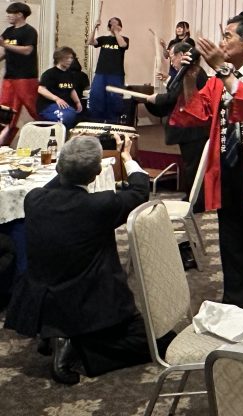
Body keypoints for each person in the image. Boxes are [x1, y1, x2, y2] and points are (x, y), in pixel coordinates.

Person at [4, 134, 154, 385]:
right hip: (88, 301)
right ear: (97, 173)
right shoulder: (100, 205)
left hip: (44, 298)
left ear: (59, 167)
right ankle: (76, 344)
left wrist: (71, 157)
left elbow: (57, 183)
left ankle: (56, 331)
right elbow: (140, 190)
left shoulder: (34, 199)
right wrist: (126, 156)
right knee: (156, 341)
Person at [173, 14, 243, 311]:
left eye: (227, 36)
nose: (221, 42)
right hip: (228, 169)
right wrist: (189, 78)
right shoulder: (217, 79)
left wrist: (221, 69)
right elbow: (197, 111)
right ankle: (234, 302)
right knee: (231, 241)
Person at [145, 42, 210, 212]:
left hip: (194, 127)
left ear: (182, 55)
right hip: (190, 127)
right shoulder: (187, 72)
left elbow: (175, 97)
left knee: (194, 166)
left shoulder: (192, 72)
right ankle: (192, 197)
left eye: (173, 56)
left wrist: (156, 99)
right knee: (191, 165)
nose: (171, 61)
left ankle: (197, 201)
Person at [0, 1, 40, 146]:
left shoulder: (29, 31)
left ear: (19, 15)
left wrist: (5, 44)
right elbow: (6, 51)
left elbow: (27, 50)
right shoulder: (8, 31)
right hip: (9, 76)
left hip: (25, 76)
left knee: (33, 108)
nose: (8, 16)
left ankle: (51, 133)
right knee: (5, 111)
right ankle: (4, 143)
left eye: (10, 14)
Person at [88, 16, 130, 123]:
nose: (114, 25)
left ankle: (113, 121)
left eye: (116, 23)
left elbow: (122, 45)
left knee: (114, 98)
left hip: (116, 74)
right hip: (101, 73)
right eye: (112, 23)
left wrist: (116, 32)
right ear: (108, 27)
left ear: (120, 27)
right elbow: (90, 42)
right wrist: (94, 27)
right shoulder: (103, 39)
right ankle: (97, 121)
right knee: (96, 96)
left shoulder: (124, 39)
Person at [36, 47, 83, 128]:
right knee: (67, 116)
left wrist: (77, 102)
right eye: (66, 58)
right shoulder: (49, 73)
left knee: (78, 116)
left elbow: (71, 89)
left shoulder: (70, 74)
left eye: (71, 58)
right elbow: (41, 89)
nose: (70, 60)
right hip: (48, 106)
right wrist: (57, 99)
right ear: (58, 58)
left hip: (65, 106)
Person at [67, 52, 90, 120]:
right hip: (79, 100)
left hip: (66, 101)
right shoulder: (83, 75)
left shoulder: (63, 74)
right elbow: (87, 88)